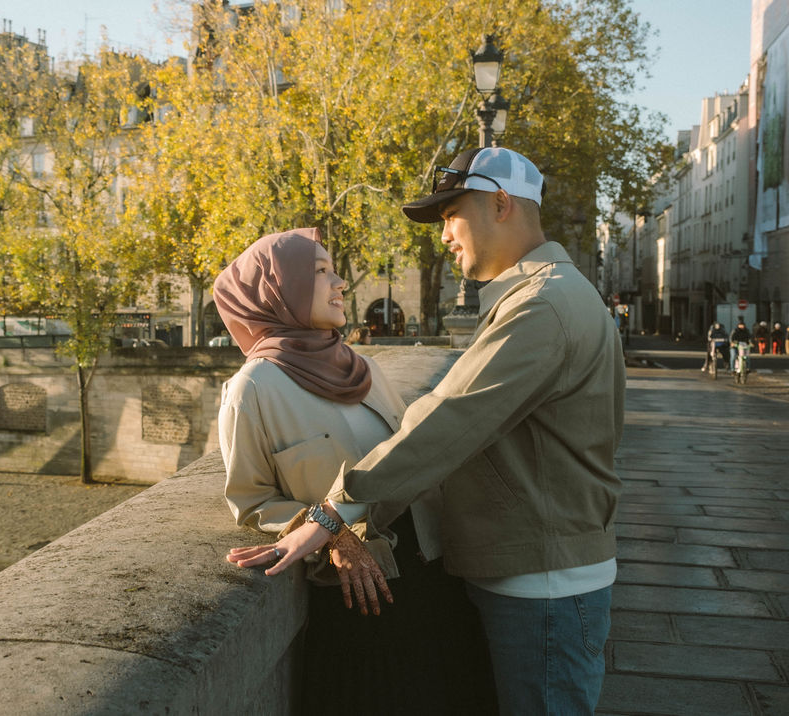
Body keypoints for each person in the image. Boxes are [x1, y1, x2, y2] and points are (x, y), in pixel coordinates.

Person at [228, 147, 625, 715]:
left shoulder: (542, 307)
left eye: (450, 215)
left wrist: (331, 513)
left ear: (501, 204)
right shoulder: (554, 294)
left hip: (542, 583)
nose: (443, 236)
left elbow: (445, 421)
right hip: (539, 568)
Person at [215, 228, 495, 714]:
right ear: (277, 289)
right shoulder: (252, 390)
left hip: (434, 576)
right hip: (363, 595)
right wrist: (336, 535)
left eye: (334, 269)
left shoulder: (363, 367)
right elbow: (253, 502)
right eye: (320, 271)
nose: (340, 282)